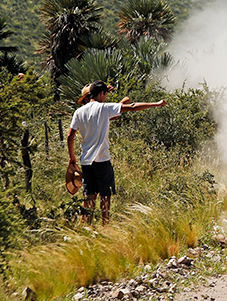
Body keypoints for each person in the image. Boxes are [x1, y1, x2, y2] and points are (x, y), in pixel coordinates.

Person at [67, 80, 166, 226]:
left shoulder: (78, 112)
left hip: (86, 161)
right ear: (102, 94)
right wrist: (156, 104)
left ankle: (85, 226)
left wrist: (72, 157)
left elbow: (70, 136)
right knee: (105, 195)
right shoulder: (105, 108)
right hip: (102, 159)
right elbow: (132, 107)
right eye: (105, 95)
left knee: (89, 195)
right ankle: (105, 225)